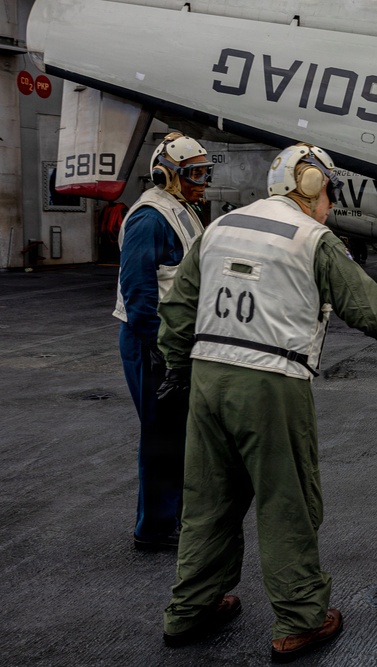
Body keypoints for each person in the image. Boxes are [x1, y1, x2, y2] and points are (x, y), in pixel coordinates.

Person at [156, 143, 377, 661]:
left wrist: (178, 367)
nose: (330, 201)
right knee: (287, 502)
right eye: (329, 189)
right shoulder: (312, 238)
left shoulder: (220, 226)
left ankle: (190, 609)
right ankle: (300, 619)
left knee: (208, 501)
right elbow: (371, 312)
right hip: (272, 383)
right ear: (310, 184)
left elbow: (179, 306)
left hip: (208, 379)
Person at [113, 132, 213, 551]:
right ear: (165, 174)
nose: (202, 182)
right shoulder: (149, 217)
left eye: (206, 173)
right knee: (160, 434)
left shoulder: (182, 210)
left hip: (172, 341)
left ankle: (170, 517)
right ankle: (153, 529)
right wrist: (162, 352)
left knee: (175, 433)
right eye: (194, 174)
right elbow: (138, 293)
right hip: (150, 341)